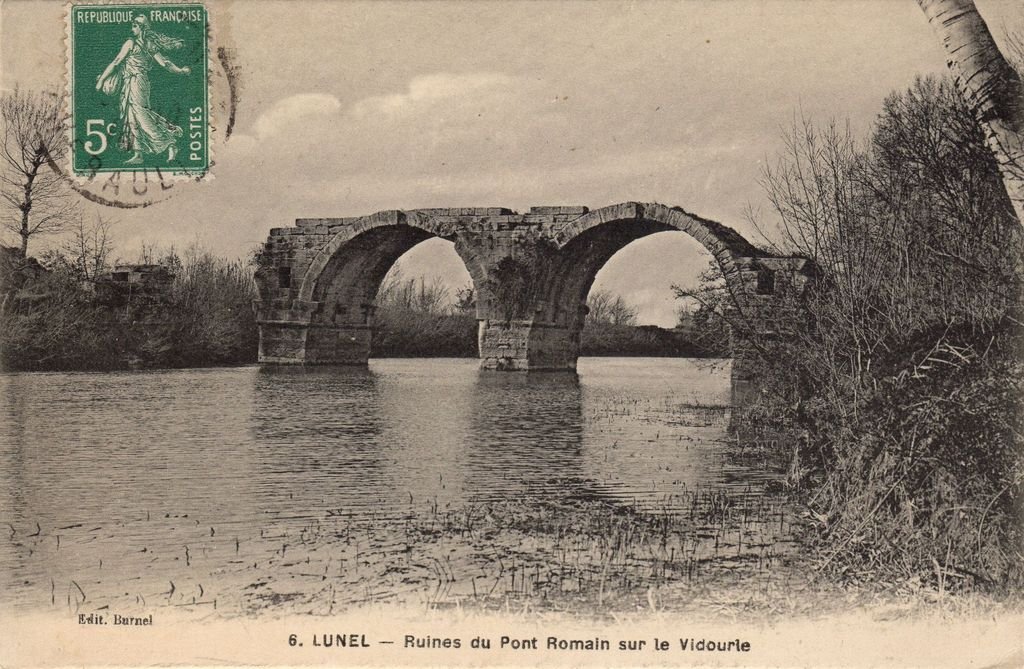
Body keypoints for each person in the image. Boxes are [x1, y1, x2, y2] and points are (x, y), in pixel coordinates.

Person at [95, 15, 191, 165]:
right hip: (135, 82)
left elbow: (116, 62)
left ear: (141, 28)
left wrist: (101, 80)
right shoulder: (149, 44)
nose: (132, 28)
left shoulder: (131, 43)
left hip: (136, 82)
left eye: (134, 25)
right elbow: (165, 63)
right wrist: (180, 71)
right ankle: (138, 153)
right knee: (132, 116)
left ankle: (169, 142)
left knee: (140, 114)